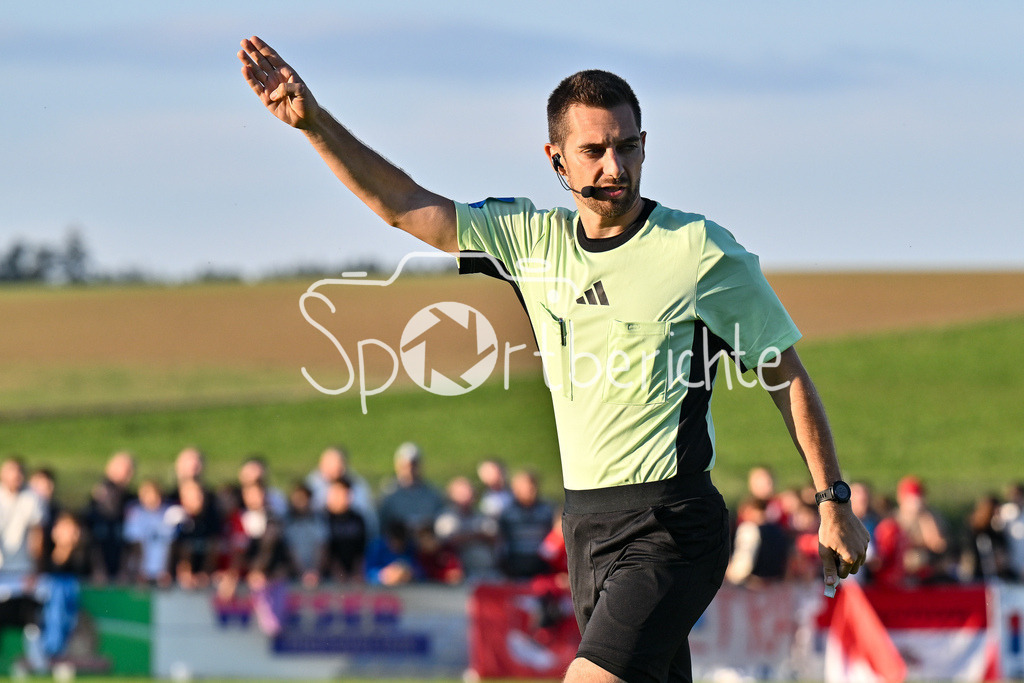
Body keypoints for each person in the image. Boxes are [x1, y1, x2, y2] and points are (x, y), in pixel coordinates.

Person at [238, 37, 869, 683]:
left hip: (672, 523)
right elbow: (403, 205)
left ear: (645, 145)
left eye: (626, 146)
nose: (613, 165)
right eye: (594, 151)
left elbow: (783, 371)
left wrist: (832, 498)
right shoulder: (529, 240)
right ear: (557, 160)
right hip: (585, 526)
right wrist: (314, 124)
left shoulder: (698, 250)